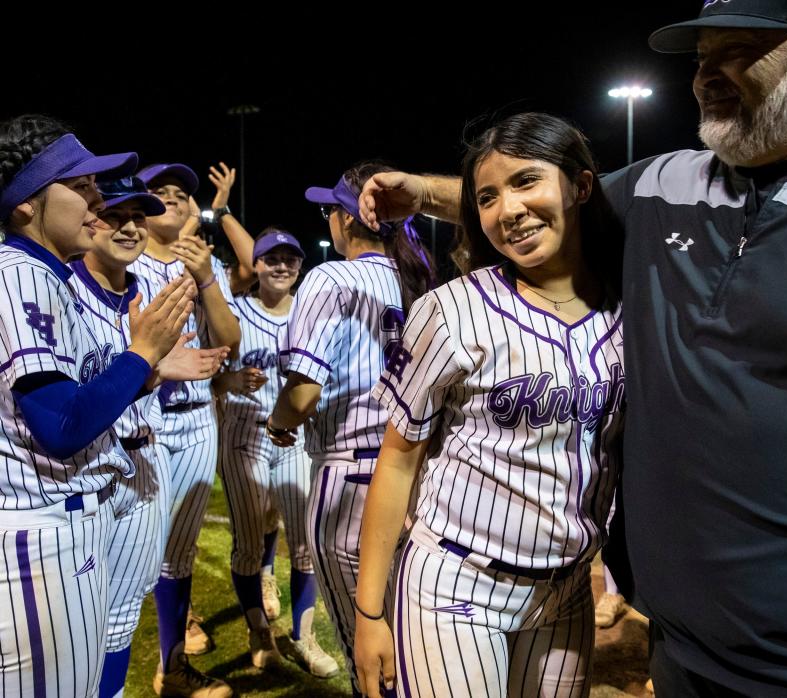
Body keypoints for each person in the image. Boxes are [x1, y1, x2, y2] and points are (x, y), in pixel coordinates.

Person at [358, 2, 787, 696]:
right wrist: (423, 193)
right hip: (680, 649)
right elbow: (539, 205)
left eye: (736, 50)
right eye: (700, 57)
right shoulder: (665, 184)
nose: (705, 75)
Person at [352, 114, 625, 698]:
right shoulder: (450, 310)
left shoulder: (629, 302)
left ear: (580, 186)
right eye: (487, 197)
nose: (508, 210)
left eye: (527, 181)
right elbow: (398, 459)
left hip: (569, 588)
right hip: (457, 581)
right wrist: (369, 612)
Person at [0, 115, 194, 697]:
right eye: (79, 186)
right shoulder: (19, 275)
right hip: (39, 535)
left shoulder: (44, 274)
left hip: (69, 524)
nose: (94, 200)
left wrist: (142, 370)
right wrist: (140, 356)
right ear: (25, 205)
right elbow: (60, 426)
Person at [267, 162, 436, 694]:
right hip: (422, 478)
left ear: (347, 217)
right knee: (414, 649)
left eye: (329, 211)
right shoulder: (421, 277)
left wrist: (277, 422)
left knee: (371, 659)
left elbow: (303, 392)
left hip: (353, 477)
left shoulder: (331, 276)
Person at [68, 177, 230, 698]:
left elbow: (224, 340)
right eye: (116, 215)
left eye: (139, 217)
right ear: (90, 220)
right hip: (86, 479)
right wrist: (149, 370)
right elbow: (66, 403)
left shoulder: (143, 292)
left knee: (119, 621)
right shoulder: (65, 289)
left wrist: (156, 373)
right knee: (77, 626)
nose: (130, 226)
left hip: (146, 461)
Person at [129, 163, 241, 697]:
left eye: (181, 194)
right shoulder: (124, 260)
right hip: (144, 419)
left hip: (196, 418)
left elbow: (230, 338)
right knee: (132, 549)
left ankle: (171, 667)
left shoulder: (201, 262)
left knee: (179, 551)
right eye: (161, 192)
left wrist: (206, 278)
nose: (172, 200)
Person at [213, 227, 340, 677]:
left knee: (306, 543)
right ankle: (258, 631)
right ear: (257, 265)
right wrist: (228, 381)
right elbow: (206, 374)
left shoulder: (311, 313)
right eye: (272, 258)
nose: (282, 265)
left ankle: (304, 638)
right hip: (244, 434)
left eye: (290, 259)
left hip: (295, 439)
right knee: (249, 545)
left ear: (300, 267)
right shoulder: (233, 313)